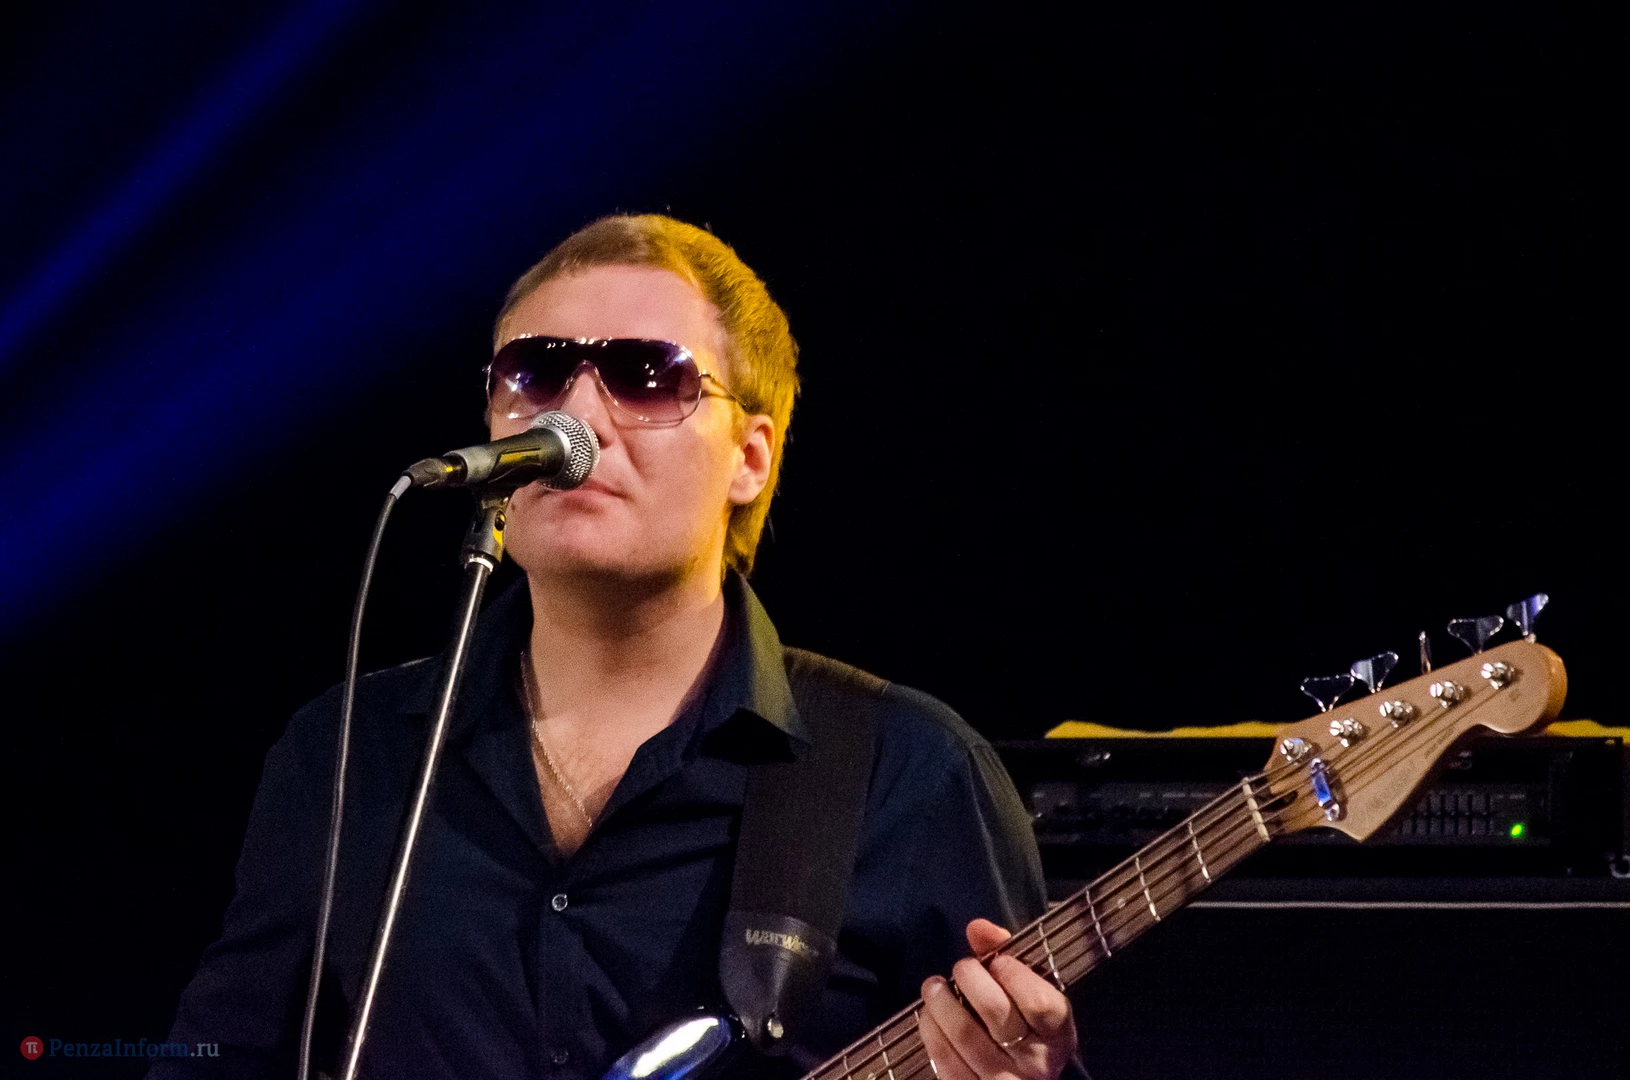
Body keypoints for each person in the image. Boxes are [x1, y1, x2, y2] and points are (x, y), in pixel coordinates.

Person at [154, 214, 1079, 1079]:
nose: (577, 421)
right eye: (537, 372)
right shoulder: (349, 750)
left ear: (750, 458)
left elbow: (1024, 1049)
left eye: (647, 375)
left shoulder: (909, 771)